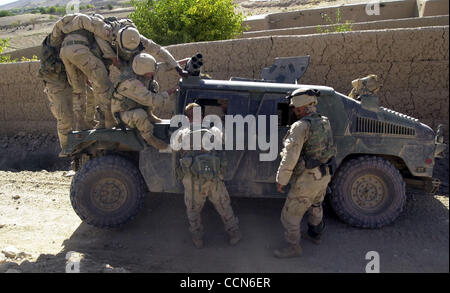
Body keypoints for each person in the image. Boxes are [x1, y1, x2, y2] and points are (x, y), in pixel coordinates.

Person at [274, 88, 336, 258]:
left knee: (290, 215)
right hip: (323, 175)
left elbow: (290, 157)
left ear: (301, 108)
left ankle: (294, 247)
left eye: (295, 107)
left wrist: (282, 180)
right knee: (316, 205)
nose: (294, 110)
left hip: (306, 179)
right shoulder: (324, 121)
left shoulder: (300, 126)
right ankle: (315, 234)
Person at [174, 103, 241, 249]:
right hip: (213, 178)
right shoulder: (214, 131)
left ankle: (197, 238)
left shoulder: (180, 133)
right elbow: (225, 144)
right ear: (202, 116)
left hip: (192, 181)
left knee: (193, 210)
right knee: (224, 206)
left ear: (187, 118)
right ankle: (234, 233)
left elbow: (175, 155)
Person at [49, 13, 116, 129]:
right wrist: (115, 59)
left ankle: (80, 123)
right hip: (79, 50)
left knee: (78, 90)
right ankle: (109, 119)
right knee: (103, 83)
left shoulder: (72, 26)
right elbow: (103, 45)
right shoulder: (95, 25)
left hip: (64, 52)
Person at [111, 53, 176, 150]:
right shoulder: (131, 84)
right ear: (142, 71)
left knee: (153, 85)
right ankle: (149, 138)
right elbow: (151, 100)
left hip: (135, 105)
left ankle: (149, 114)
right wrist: (169, 92)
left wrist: (178, 65)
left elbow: (161, 68)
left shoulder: (141, 71)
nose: (151, 74)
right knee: (140, 115)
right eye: (149, 73)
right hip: (123, 113)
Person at [37, 34, 73, 155]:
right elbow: (50, 67)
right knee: (65, 119)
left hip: (71, 83)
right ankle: (67, 151)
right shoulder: (50, 43)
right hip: (57, 86)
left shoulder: (74, 40)